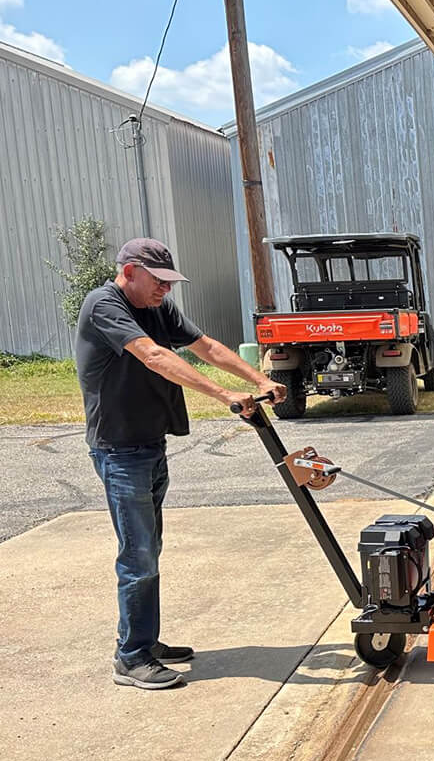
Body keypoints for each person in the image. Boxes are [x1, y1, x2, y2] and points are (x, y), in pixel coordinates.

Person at [76, 238, 285, 690]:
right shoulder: (103, 305)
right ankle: (130, 657)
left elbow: (204, 346)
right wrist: (225, 396)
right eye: (159, 281)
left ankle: (144, 641)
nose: (166, 291)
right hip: (118, 450)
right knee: (138, 554)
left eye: (170, 283)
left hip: (149, 443)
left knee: (149, 548)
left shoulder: (157, 308)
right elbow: (154, 356)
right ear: (130, 272)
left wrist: (259, 378)